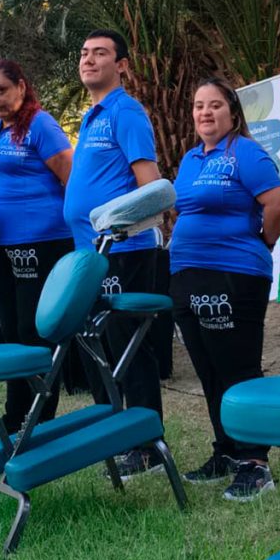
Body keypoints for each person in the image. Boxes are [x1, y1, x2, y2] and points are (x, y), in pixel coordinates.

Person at [169, 78, 280, 501]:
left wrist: (262, 243)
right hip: (186, 274)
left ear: (233, 113)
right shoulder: (189, 159)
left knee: (238, 368)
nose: (205, 113)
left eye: (215, 105)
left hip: (234, 274)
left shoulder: (246, 153)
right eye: (199, 106)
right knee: (208, 370)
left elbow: (277, 204)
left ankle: (255, 462)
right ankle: (226, 452)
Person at [62, 30, 164, 479]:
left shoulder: (126, 112)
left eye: (100, 53)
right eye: (84, 53)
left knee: (130, 349)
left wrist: (124, 230)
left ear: (121, 64)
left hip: (124, 251)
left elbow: (151, 186)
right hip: (90, 254)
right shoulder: (91, 116)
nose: (88, 59)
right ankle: (112, 434)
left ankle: (147, 449)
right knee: (103, 348)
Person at [0, 59, 74, 431]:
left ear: (21, 86)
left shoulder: (40, 124)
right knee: (14, 336)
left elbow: (71, 178)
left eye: (0, 90)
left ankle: (36, 424)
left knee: (34, 336)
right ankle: (14, 421)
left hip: (41, 242)